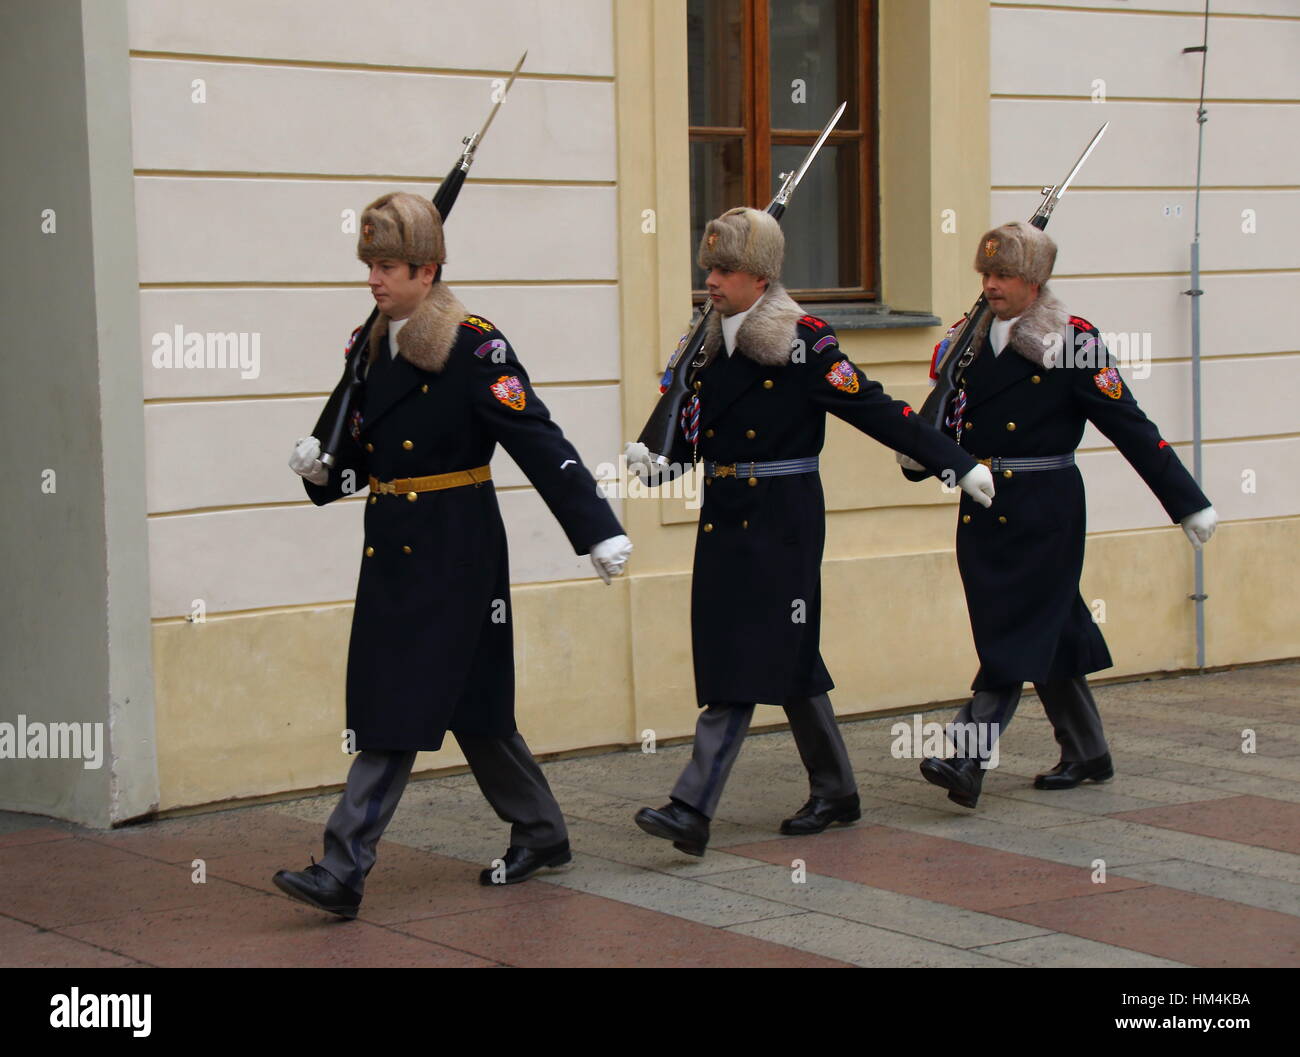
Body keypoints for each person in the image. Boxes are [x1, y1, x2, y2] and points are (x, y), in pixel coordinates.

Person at [273, 192, 632, 918]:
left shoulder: (472, 344)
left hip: (455, 545)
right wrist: (324, 468)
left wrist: (595, 525)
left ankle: (343, 866)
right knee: (477, 709)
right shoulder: (368, 341)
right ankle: (541, 829)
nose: (373, 279)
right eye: (369, 264)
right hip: (392, 543)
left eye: (387, 266)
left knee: (394, 704)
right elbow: (359, 450)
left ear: (427, 269)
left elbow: (537, 436)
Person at [625, 206, 995, 856]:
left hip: (783, 516)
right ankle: (837, 788)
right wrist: (659, 463)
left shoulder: (801, 338)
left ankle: (692, 806)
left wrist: (955, 460)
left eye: (725, 268)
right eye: (708, 266)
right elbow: (692, 429)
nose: (710, 279)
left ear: (760, 277)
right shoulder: (706, 339)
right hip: (725, 512)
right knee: (782, 658)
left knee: (742, 664)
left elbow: (874, 407)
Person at [903, 220, 1217, 809]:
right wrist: (920, 452)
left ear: (1035, 280)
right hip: (984, 504)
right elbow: (945, 416)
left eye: (1005, 275)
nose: (992, 286)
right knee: (1047, 625)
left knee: (1015, 630)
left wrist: (1187, 501)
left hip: (1046, 506)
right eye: (987, 274)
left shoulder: (1070, 340)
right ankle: (1087, 750)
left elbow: (1129, 425)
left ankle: (967, 754)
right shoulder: (967, 340)